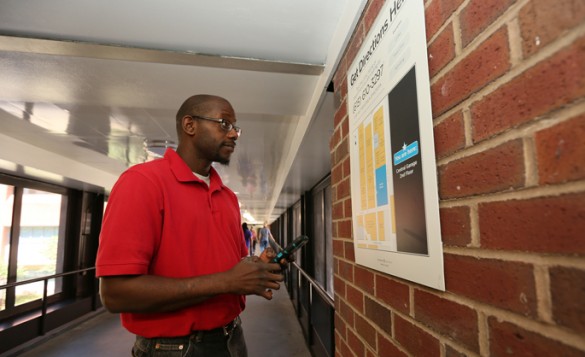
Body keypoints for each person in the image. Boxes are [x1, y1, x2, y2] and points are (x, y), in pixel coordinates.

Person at [95, 94, 287, 357]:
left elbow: (227, 270)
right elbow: (116, 294)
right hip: (174, 349)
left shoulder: (227, 197)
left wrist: (255, 269)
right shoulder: (141, 183)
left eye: (235, 127)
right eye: (224, 123)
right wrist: (226, 281)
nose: (234, 134)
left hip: (232, 338)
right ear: (190, 125)